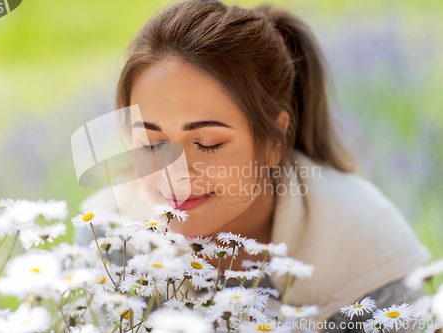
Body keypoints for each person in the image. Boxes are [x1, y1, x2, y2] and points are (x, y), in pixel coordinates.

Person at [76, 1, 431, 332]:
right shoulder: (112, 237)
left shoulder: (366, 254)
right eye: (152, 144)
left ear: (274, 141)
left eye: (207, 143)